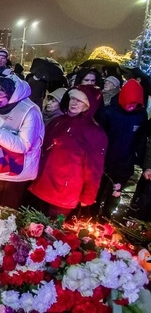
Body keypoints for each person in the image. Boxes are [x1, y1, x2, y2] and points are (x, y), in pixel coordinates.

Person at [27, 85, 107, 218]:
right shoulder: (58, 121)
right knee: (29, 229)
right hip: (42, 185)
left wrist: (88, 196)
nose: (74, 103)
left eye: (80, 101)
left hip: (64, 193)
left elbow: (94, 168)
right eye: (72, 98)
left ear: (88, 105)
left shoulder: (94, 132)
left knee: (51, 234)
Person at [0, 76, 44, 209]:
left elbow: (23, 146)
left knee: (7, 213)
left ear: (11, 96)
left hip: (15, 173)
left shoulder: (30, 112)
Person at [96, 79, 147, 218]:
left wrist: (139, 159)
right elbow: (99, 136)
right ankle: (91, 214)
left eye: (135, 104)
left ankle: (106, 217)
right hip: (106, 159)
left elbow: (141, 139)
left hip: (125, 161)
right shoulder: (108, 112)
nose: (132, 106)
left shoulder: (140, 115)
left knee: (116, 191)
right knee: (98, 189)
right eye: (129, 103)